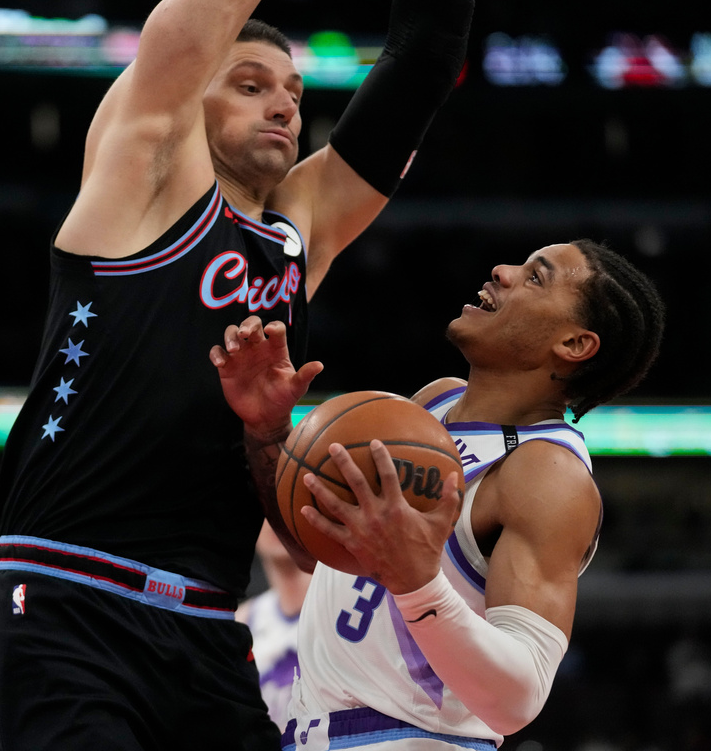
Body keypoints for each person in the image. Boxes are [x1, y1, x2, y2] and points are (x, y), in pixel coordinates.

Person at [0, 0, 476, 747]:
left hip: (206, 630)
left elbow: (423, 61)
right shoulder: (138, 179)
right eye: (250, 85)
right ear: (189, 95)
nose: (284, 106)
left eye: (294, 93)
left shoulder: (298, 231)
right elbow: (195, 18)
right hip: (68, 602)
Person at [210, 239, 666, 749]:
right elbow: (317, 552)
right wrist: (268, 430)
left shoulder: (546, 472)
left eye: (536, 277)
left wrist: (417, 582)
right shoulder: (434, 404)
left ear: (575, 344)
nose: (503, 270)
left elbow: (518, 699)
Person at [237, 520, 314, 732]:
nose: (274, 521)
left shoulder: (348, 607)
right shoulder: (240, 622)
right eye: (266, 509)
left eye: (280, 506)